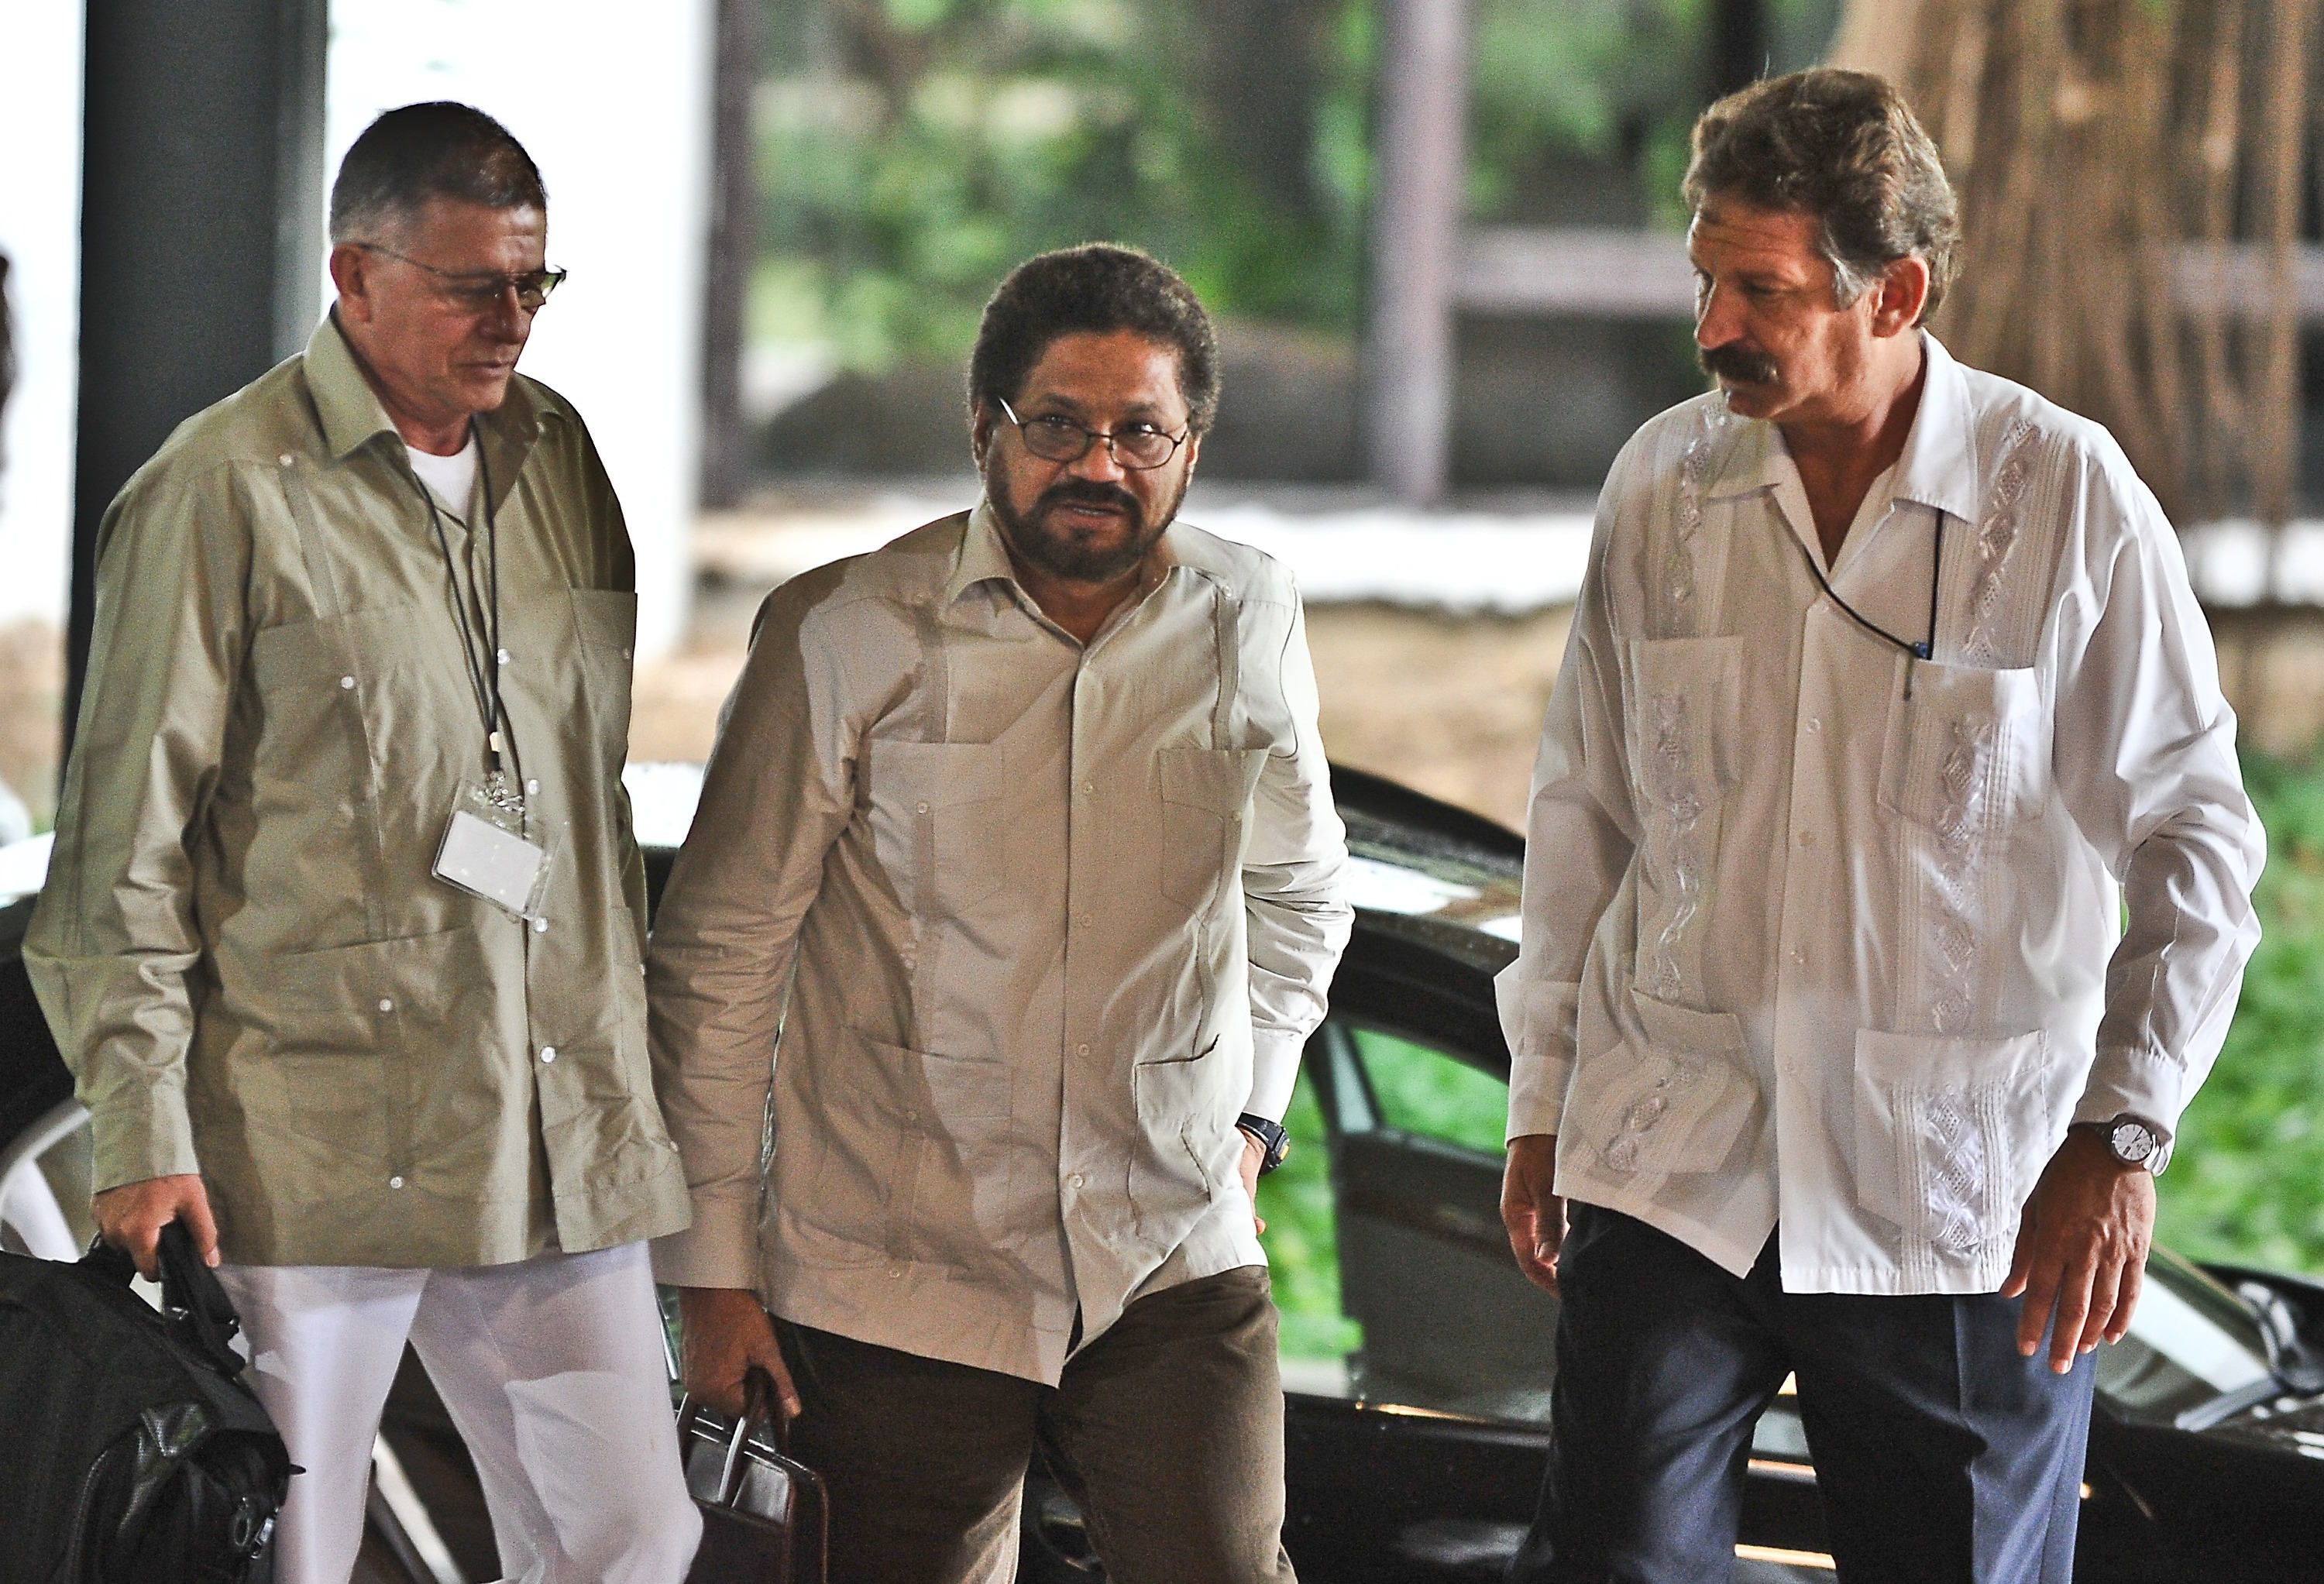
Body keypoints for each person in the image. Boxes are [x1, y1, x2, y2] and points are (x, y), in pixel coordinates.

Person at [1494, 69, 2264, 1582]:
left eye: (1761, 290)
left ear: (1895, 291)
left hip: (1962, 1196)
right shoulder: (1661, 482)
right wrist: (1543, 1097)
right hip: (1678, 1161)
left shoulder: (2068, 499)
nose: (1715, 325)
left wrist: (2119, 1136)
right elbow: (1585, 807)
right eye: (1706, 277)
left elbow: (2198, 843)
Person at [25, 102, 699, 1584]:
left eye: (536, 283)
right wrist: (143, 1138)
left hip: (544, 1125)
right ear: (356, 275)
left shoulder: (558, 456)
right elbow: (115, 857)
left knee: (635, 1531)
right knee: (287, 1555)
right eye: (475, 286)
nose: (512, 320)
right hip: (305, 1140)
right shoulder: (218, 490)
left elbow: (570, 805)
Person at [651, 242, 1352, 1584]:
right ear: (985, 430)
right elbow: (720, 960)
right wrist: (713, 1273)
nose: (1099, 463)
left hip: (1167, 1253)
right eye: (1057, 426)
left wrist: (1253, 1119)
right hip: (896, 1271)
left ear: (1190, 444)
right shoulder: (846, 629)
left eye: (1140, 430)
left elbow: (1300, 892)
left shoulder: (1246, 615)